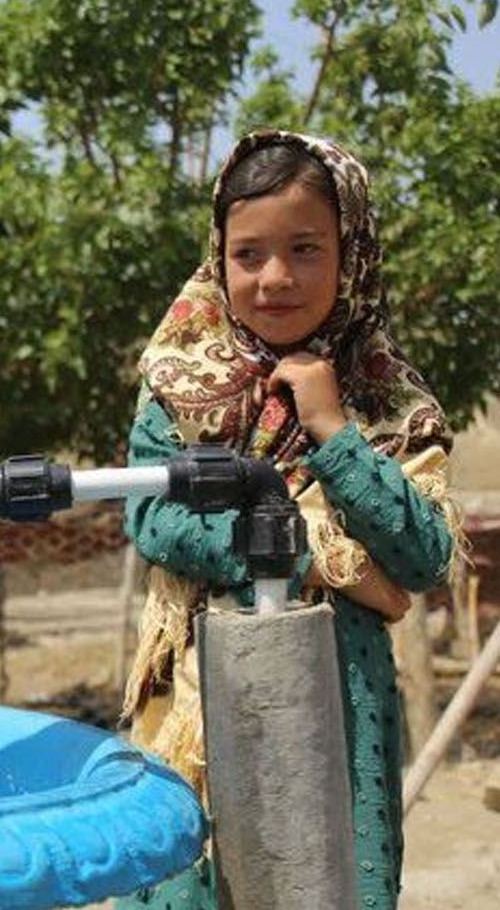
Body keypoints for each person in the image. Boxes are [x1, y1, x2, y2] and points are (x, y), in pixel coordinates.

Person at [116, 130, 462, 910]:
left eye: (306, 249)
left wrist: (334, 429)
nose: (275, 277)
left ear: (352, 253)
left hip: (338, 705)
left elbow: (422, 554)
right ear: (219, 256)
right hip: (193, 707)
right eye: (249, 254)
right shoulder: (176, 379)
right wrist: (308, 559)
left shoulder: (388, 402)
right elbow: (153, 516)